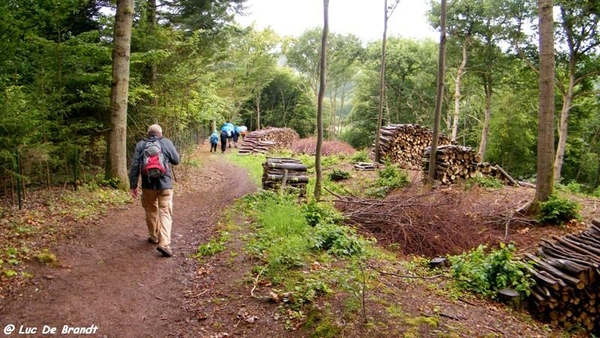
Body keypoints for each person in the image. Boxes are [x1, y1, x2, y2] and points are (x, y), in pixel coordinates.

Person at [129, 124, 180, 257]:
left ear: (148, 134)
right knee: (165, 213)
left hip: (148, 185)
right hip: (165, 185)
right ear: (160, 133)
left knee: (151, 210)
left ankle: (154, 236)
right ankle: (164, 244)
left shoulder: (141, 145)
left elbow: (135, 166)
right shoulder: (166, 142)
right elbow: (176, 160)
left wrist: (133, 185)